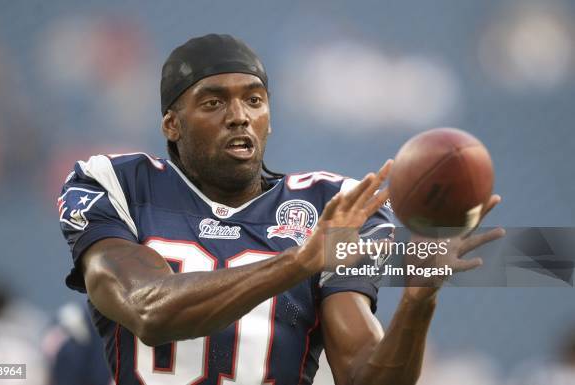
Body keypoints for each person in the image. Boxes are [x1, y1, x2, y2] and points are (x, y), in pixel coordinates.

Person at [58, 34, 503, 385]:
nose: (239, 116)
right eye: (214, 102)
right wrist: (299, 262)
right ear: (172, 125)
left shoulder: (331, 205)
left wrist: (416, 301)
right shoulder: (118, 184)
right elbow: (149, 311)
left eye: (254, 100)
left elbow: (362, 376)